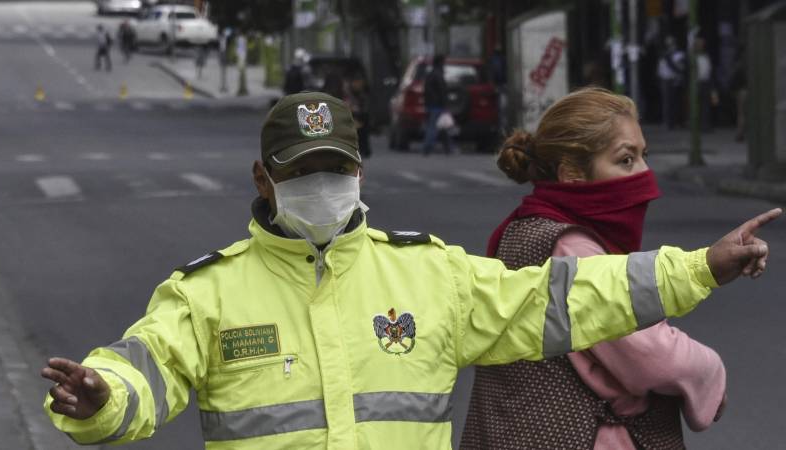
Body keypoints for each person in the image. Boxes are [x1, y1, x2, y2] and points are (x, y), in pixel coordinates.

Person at [41, 92, 778, 449]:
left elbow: (568, 297)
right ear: (264, 180)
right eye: (304, 172)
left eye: (336, 168)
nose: (322, 184)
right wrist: (100, 401)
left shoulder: (430, 277)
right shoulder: (207, 293)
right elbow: (142, 368)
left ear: (360, 173)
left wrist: (700, 268)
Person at [461, 87, 728, 450]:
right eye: (625, 160)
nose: (645, 175)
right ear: (572, 173)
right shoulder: (572, 248)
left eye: (643, 156)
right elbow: (651, 355)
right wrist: (710, 372)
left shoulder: (521, 228)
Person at [422, 53, 452, 155]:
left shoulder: (431, 74)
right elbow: (442, 90)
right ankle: (427, 147)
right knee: (434, 127)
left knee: (443, 127)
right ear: (441, 62)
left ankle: (448, 148)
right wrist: (445, 104)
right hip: (437, 104)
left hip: (432, 104)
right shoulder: (438, 74)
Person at [657, 36, 685, 129]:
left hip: (674, 80)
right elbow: (661, 68)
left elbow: (681, 68)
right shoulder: (664, 55)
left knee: (675, 102)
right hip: (665, 80)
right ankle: (668, 122)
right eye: (668, 43)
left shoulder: (679, 54)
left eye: (671, 42)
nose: (670, 45)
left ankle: (676, 122)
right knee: (667, 102)